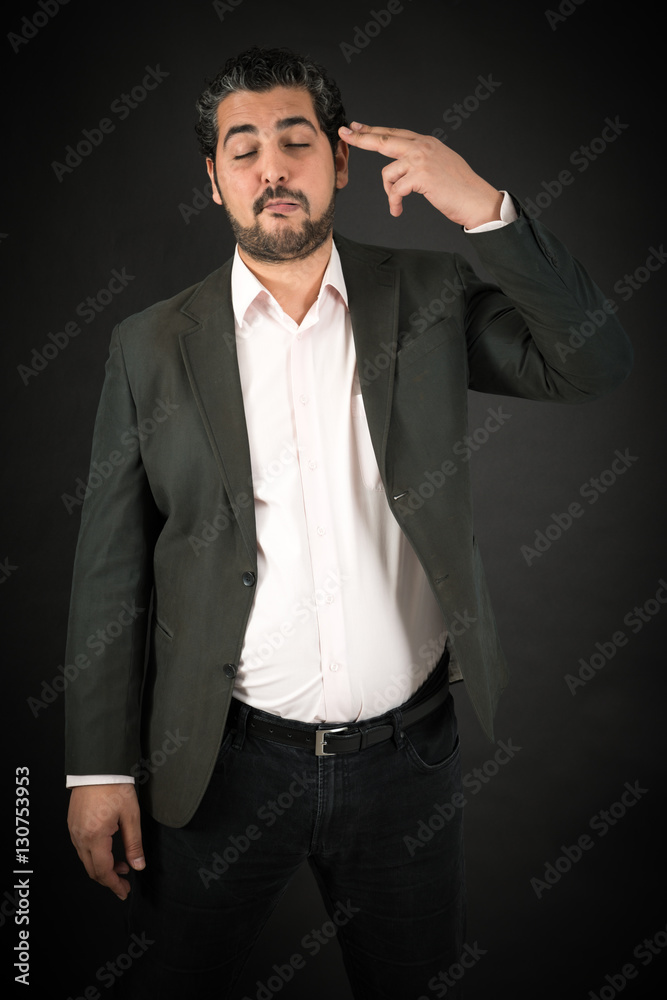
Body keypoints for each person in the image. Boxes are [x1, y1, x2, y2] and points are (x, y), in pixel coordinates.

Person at [65, 46, 632, 999]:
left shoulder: (427, 295)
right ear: (213, 179)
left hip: (407, 761)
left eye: (296, 142)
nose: (272, 168)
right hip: (218, 761)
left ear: (338, 161)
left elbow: (593, 364)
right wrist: (93, 772)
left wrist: (481, 206)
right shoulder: (150, 344)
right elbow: (110, 566)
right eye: (243, 150)